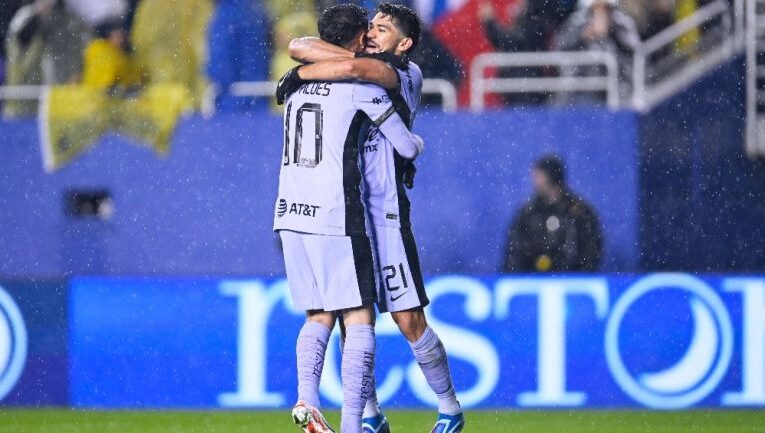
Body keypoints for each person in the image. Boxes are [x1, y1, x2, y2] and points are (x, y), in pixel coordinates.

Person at [282, 4, 465, 433]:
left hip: (385, 214)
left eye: (383, 30)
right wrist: (309, 63)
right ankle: (367, 418)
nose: (373, 34)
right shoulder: (350, 72)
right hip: (351, 213)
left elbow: (359, 69)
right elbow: (298, 45)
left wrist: (301, 74)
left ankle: (449, 408)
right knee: (353, 313)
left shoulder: (404, 73)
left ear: (404, 43)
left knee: (408, 320)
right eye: (370, 27)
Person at [502, 155, 603, 273]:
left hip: (571, 281)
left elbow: (591, 249)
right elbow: (515, 249)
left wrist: (578, 274)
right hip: (533, 280)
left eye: (538, 177)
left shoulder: (579, 212)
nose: (535, 181)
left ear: (552, 177)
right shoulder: (528, 212)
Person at [4, 0, 90, 116]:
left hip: (50, 55)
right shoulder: (28, 13)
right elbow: (13, 35)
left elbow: (80, 41)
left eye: (48, 3)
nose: (45, 6)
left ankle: (41, 110)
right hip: (25, 48)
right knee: (18, 71)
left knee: (44, 79)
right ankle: (14, 107)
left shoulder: (66, 19)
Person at [553, 0, 640, 104]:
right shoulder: (577, 22)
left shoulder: (621, 23)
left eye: (604, 7)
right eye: (597, 7)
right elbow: (561, 47)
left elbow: (634, 52)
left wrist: (612, 34)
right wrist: (582, 36)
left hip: (618, 87)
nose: (600, 11)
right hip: (580, 88)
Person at [206, 0, 271, 111]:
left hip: (230, 106)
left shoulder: (226, 15)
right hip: (259, 102)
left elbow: (220, 66)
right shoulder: (257, 10)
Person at [82, 18, 141, 89]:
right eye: (117, 36)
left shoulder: (97, 49)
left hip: (92, 91)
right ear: (108, 37)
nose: (121, 39)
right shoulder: (106, 52)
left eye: (121, 36)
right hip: (102, 91)